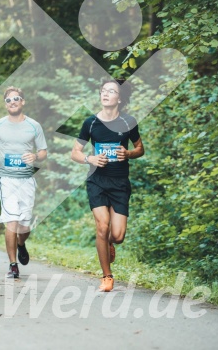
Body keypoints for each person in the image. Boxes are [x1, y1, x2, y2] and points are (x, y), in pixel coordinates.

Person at [71, 79, 144, 292]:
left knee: (118, 236)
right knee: (102, 226)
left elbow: (140, 148)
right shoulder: (91, 123)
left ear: (119, 98)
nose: (105, 94)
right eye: (103, 91)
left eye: (111, 91)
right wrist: (89, 159)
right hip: (97, 180)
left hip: (120, 182)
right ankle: (107, 276)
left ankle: (109, 244)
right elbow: (74, 152)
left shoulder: (128, 122)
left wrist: (129, 153)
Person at [0, 86, 47, 278]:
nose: (13, 102)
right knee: (11, 221)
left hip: (27, 180)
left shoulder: (34, 125)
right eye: (9, 100)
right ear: (5, 104)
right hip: (7, 179)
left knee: (24, 225)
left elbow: (43, 152)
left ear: (23, 101)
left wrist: (35, 156)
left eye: (16, 99)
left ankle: (21, 243)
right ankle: (13, 265)